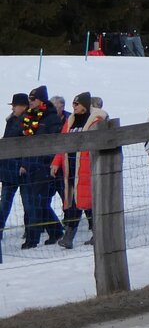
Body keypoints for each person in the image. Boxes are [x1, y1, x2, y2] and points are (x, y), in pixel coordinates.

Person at [50, 92, 107, 249]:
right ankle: (74, 236)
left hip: (87, 168)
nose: (74, 107)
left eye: (77, 104)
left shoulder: (95, 121)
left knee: (87, 202)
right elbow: (63, 144)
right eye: (73, 104)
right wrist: (56, 162)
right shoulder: (70, 121)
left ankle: (89, 235)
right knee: (75, 202)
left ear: (85, 105)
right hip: (71, 169)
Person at [18, 85, 64, 248]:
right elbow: (27, 142)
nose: (30, 101)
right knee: (37, 202)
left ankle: (33, 238)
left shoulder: (51, 118)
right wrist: (25, 163)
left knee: (36, 202)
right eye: (29, 99)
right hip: (31, 163)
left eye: (33, 98)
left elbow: (55, 143)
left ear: (41, 100)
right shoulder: (29, 117)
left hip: (44, 165)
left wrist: (50, 162)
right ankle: (55, 230)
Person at [1, 94, 28, 240]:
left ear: (23, 106)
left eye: (15, 105)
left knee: (28, 203)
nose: (12, 108)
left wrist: (24, 163)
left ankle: (40, 230)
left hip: (20, 168)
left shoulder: (28, 121)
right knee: (5, 201)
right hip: (8, 168)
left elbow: (29, 145)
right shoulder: (11, 120)